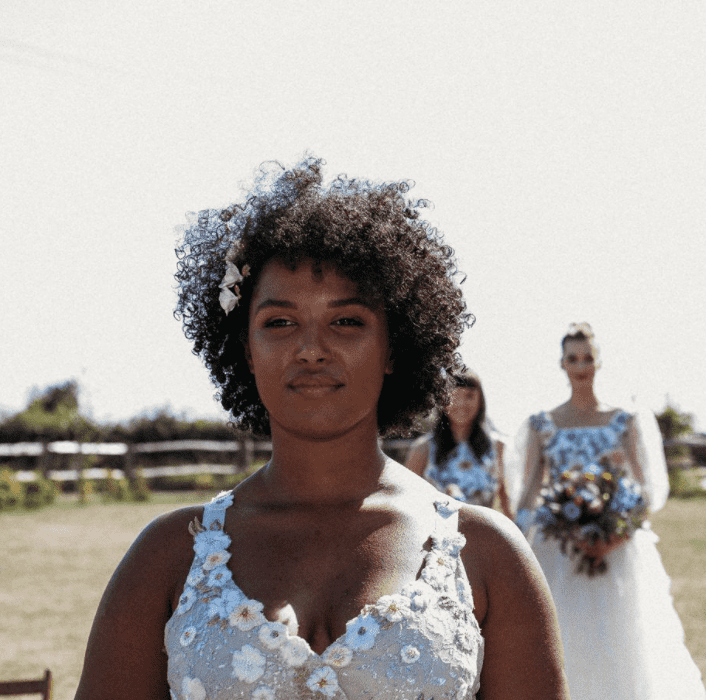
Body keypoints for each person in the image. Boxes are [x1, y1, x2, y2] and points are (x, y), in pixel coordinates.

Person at [75, 156, 569, 700]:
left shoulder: (487, 554)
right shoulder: (168, 557)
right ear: (246, 348)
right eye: (280, 322)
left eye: (346, 321)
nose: (311, 349)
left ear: (393, 347)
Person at [506, 322, 705, 700]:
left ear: (599, 362)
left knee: (624, 641)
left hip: (618, 550)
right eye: (573, 358)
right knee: (565, 638)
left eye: (588, 358)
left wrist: (616, 534)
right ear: (561, 364)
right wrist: (522, 544)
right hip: (559, 550)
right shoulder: (541, 424)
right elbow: (529, 492)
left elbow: (645, 492)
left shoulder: (624, 420)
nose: (581, 366)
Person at [405, 370, 513, 518]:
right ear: (443, 401)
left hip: (484, 535)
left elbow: (503, 498)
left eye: (469, 396)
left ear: (480, 401)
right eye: (453, 396)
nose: (461, 403)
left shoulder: (496, 446)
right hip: (435, 536)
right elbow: (407, 499)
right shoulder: (423, 448)